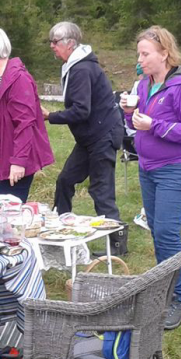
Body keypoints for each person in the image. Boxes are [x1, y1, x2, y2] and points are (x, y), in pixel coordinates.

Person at [121, 26, 181, 331]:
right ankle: (163, 292)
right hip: (149, 168)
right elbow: (137, 124)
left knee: (168, 233)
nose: (140, 59)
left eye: (145, 54)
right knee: (157, 231)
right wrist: (130, 112)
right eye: (139, 53)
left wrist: (154, 125)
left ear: (164, 54)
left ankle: (177, 299)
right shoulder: (144, 84)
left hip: (177, 169)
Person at [41, 21, 123, 219]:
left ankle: (116, 245)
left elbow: (80, 111)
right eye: (50, 41)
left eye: (55, 41)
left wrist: (49, 116)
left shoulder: (81, 69)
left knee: (101, 192)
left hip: (103, 136)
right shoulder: (75, 65)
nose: (51, 45)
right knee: (65, 180)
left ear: (70, 44)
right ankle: (61, 224)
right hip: (89, 138)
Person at [0, 26, 54, 202]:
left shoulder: (18, 79)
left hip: (8, 161)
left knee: (8, 218)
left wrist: (18, 161)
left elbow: (25, 124)